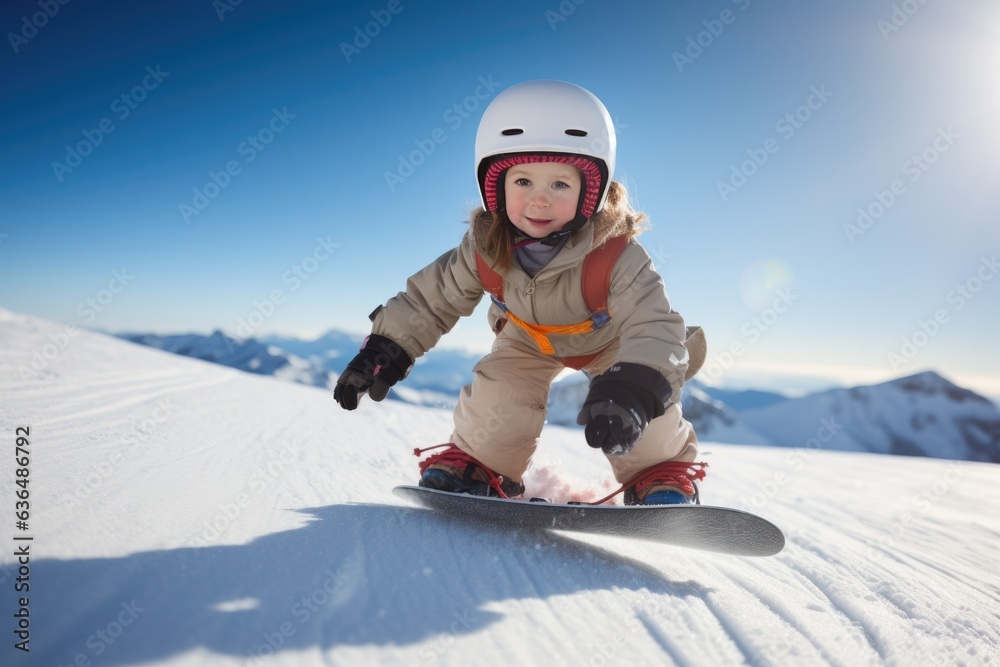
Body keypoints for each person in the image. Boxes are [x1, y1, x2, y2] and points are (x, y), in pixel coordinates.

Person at [334, 80, 707, 505]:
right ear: (495, 187)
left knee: (640, 417)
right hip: (528, 337)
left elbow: (652, 322)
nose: (539, 201)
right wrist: (385, 347)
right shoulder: (487, 247)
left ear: (591, 192)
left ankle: (659, 474)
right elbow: (432, 298)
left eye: (561, 185)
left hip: (610, 342)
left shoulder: (615, 253)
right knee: (501, 393)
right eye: (524, 181)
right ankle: (480, 464)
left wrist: (638, 385)